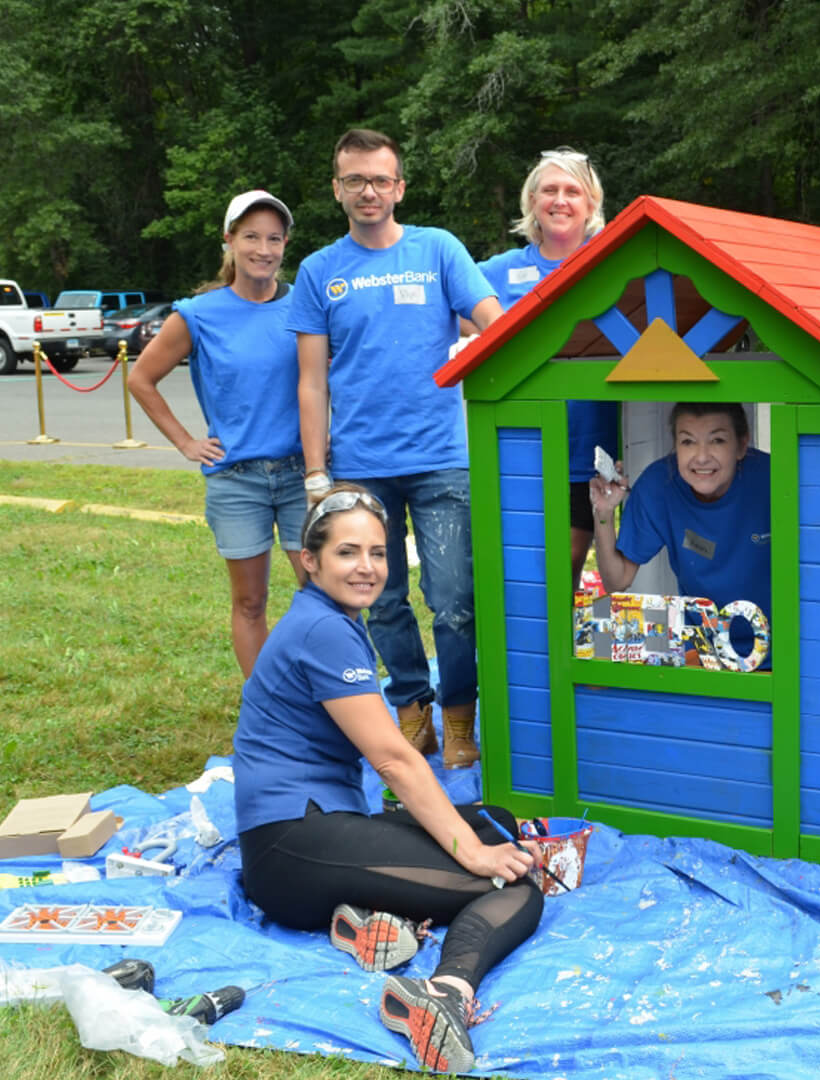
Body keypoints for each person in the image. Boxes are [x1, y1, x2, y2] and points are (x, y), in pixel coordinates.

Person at [234, 484, 543, 1074]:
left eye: (378, 553)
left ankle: (367, 923)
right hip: (294, 848)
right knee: (513, 887)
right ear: (311, 561)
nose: (367, 567)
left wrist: (476, 837)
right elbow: (395, 760)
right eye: (348, 553)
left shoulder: (326, 617)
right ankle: (444, 993)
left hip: (305, 835)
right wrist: (472, 855)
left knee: (496, 823)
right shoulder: (322, 630)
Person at [291, 128, 503, 769]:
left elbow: (495, 323)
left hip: (441, 457)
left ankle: (459, 718)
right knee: (377, 600)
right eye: (354, 180)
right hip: (359, 468)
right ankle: (413, 714)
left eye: (381, 179)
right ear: (337, 189)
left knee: (455, 599)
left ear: (400, 187)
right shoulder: (319, 271)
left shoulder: (437, 250)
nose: (369, 191)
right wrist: (317, 476)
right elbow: (311, 380)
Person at [129, 190, 307, 678]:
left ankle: (321, 696)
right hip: (236, 479)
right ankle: (266, 705)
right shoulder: (198, 314)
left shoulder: (304, 306)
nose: (263, 249)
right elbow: (140, 379)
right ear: (229, 240)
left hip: (302, 474)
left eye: (274, 238)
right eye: (251, 236)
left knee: (319, 595)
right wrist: (186, 442)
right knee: (250, 602)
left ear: (285, 244)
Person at [476, 147, 618, 589]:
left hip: (590, 448)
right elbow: (450, 314)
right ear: (532, 201)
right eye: (550, 190)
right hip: (520, 446)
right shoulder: (500, 271)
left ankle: (559, 653)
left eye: (573, 191)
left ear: (591, 203)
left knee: (565, 564)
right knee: (520, 566)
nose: (561, 200)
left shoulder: (612, 260)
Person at [589, 403, 769, 659]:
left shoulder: (774, 480)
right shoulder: (658, 486)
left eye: (717, 440)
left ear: (741, 446)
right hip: (706, 651)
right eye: (688, 442)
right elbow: (616, 580)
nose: (702, 456)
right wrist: (604, 514)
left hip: (785, 650)